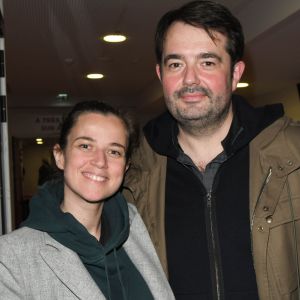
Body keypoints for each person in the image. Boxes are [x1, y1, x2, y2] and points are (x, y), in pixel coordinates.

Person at [123, 1, 300, 299]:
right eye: (176, 64)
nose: (190, 80)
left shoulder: (293, 154)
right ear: (160, 74)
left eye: (207, 62)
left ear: (235, 74)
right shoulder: (133, 174)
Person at [0, 101, 175, 300]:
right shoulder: (10, 257)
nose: (100, 161)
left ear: (125, 167)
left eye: (114, 151)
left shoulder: (136, 226)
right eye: (85, 146)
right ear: (60, 156)